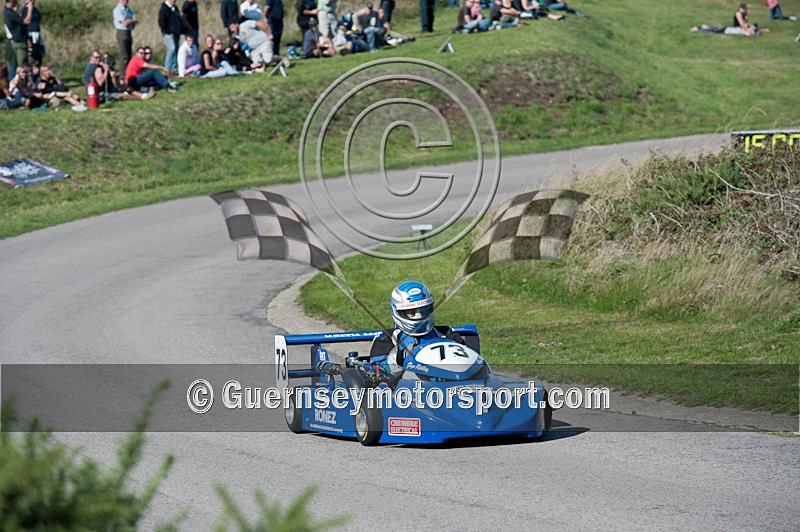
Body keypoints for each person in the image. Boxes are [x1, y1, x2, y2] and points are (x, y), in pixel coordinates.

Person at [368, 281, 465, 371]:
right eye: (411, 312)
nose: (420, 316)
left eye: (424, 310)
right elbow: (377, 371)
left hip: (448, 387)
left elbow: (471, 364)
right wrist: (401, 358)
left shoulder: (447, 334)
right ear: (397, 311)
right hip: (406, 388)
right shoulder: (386, 338)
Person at [83, 50, 155, 102]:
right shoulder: (96, 68)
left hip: (99, 91)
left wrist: (114, 76)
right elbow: (100, 83)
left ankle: (142, 95)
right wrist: (106, 71)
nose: (98, 59)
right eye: (96, 57)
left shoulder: (93, 66)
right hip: (97, 95)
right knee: (123, 95)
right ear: (91, 57)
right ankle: (142, 97)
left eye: (99, 57)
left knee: (123, 87)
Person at [4, 0, 33, 76]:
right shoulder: (10, 13)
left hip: (17, 42)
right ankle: (18, 86)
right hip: (19, 43)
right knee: (22, 68)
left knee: (17, 66)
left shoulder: (8, 12)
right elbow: (27, 21)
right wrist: (30, 8)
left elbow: (18, 20)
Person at [113, 0, 137, 75]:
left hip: (128, 32)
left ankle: (129, 73)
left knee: (129, 55)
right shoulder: (118, 10)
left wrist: (131, 21)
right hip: (122, 32)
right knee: (124, 57)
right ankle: (123, 76)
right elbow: (125, 23)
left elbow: (135, 20)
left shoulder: (128, 9)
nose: (125, 1)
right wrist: (131, 21)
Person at [158, 0, 182, 74]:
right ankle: (167, 67)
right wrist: (168, 31)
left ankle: (173, 68)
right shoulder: (164, 8)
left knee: (175, 50)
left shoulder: (175, 8)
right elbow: (161, 22)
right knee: (171, 48)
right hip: (169, 34)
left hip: (176, 33)